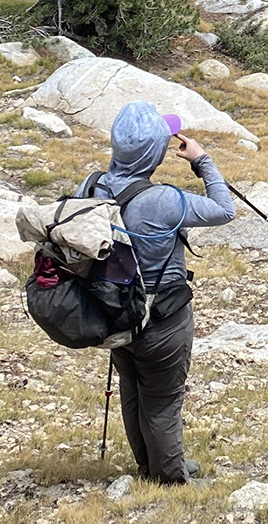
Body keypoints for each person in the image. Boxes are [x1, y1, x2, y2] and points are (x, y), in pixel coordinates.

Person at [87, 99, 239, 484]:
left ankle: (149, 465)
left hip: (114, 310)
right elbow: (224, 209)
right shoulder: (164, 201)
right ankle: (170, 479)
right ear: (154, 153)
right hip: (162, 318)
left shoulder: (92, 185)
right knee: (162, 400)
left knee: (132, 388)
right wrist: (202, 161)